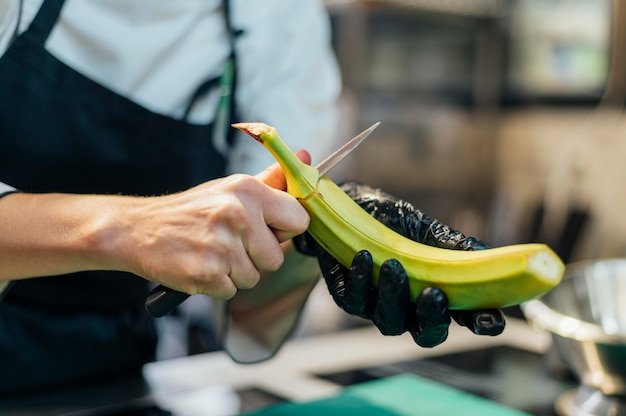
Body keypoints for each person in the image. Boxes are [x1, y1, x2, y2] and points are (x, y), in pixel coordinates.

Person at [0, 0, 504, 398]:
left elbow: (242, 296)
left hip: (110, 371)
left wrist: (309, 249)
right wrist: (127, 228)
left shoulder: (277, 16)